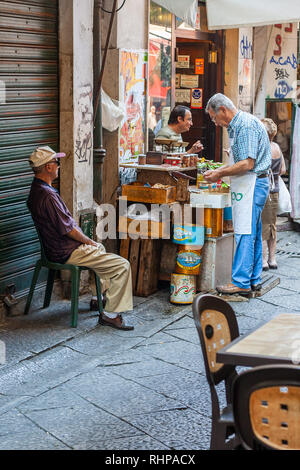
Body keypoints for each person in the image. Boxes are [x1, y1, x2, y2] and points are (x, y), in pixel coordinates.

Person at [27, 146, 134, 330]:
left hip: (56, 248)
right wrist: (89, 241)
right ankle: (110, 315)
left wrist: (91, 244)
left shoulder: (36, 190)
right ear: (48, 168)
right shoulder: (48, 196)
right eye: (56, 162)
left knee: (98, 249)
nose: (59, 166)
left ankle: (96, 298)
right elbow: (69, 230)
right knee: (122, 266)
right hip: (66, 250)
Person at [203, 93, 271, 295]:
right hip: (251, 183)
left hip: (253, 183)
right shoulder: (237, 125)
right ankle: (253, 279)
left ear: (222, 110)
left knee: (244, 232)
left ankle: (240, 282)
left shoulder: (245, 125)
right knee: (252, 232)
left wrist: (219, 172)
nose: (215, 123)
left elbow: (247, 164)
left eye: (214, 118)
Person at [261, 118, 286, 271]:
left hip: (265, 191)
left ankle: (264, 260)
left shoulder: (263, 148)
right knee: (272, 225)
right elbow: (283, 170)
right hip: (275, 190)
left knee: (263, 225)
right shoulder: (276, 146)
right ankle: (272, 258)